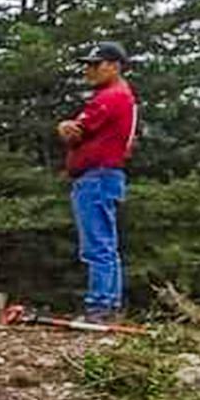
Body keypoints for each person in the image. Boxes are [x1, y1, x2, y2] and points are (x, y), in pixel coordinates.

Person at [58, 41, 139, 324]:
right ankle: (109, 305)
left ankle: (99, 307)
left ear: (114, 66)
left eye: (95, 64)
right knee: (106, 243)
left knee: (97, 245)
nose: (88, 70)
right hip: (106, 175)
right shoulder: (123, 97)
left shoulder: (110, 97)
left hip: (97, 176)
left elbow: (75, 132)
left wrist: (65, 128)